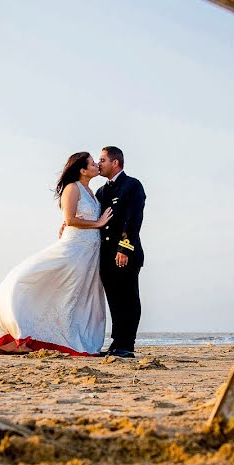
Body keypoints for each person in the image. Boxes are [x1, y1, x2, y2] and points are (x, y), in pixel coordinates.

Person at [0, 152, 113, 356]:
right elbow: (70, 219)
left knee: (75, 296)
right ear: (82, 170)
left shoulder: (92, 192)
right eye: (92, 163)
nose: (97, 164)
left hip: (90, 252)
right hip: (74, 248)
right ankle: (19, 328)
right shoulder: (72, 188)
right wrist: (97, 223)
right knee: (41, 281)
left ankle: (70, 338)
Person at [95, 146, 146, 358]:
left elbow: (133, 219)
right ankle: (117, 342)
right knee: (114, 300)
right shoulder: (101, 192)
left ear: (115, 162)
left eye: (102, 160)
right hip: (106, 255)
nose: (99, 164)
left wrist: (124, 248)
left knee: (129, 297)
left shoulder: (132, 185)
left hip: (126, 252)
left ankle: (128, 344)